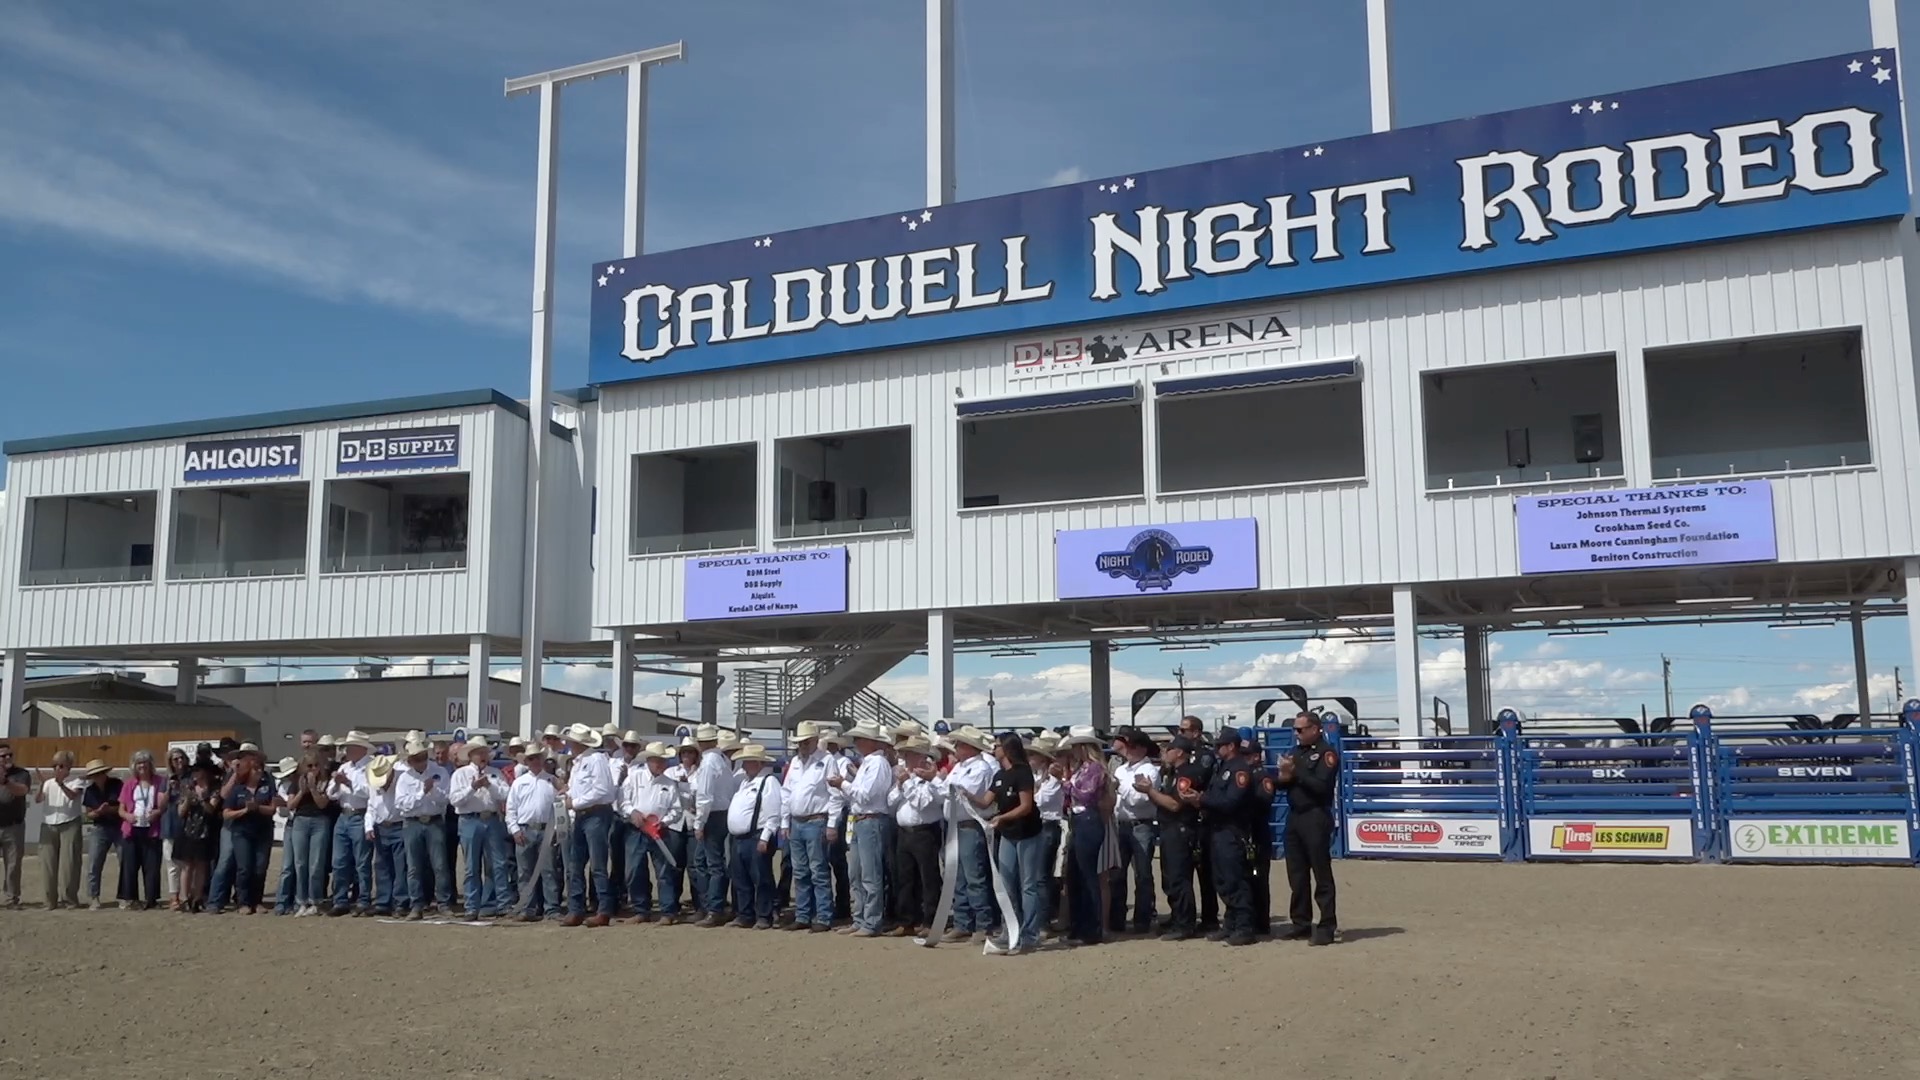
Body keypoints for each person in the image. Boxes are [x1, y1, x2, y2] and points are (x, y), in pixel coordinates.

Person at [1277, 711, 1340, 946]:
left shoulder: (1326, 753)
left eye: (1301, 729)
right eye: (1295, 729)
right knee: (1297, 873)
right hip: (1295, 816)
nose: (1297, 733)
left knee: (1321, 872)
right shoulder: (1296, 752)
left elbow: (1322, 787)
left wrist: (1297, 772)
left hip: (1316, 814)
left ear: (1315, 729)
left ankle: (1326, 925)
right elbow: (1286, 783)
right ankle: (1301, 922)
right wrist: (1282, 776)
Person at [779, 719, 844, 934]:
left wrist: (832, 823)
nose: (803, 745)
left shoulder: (826, 761)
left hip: (817, 820)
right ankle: (803, 914)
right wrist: (785, 820)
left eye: (806, 741)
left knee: (818, 870)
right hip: (797, 822)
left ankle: (823, 915)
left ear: (815, 741)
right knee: (800, 871)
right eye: (800, 742)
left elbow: (835, 795)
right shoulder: (796, 762)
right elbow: (786, 792)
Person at [833, 722, 894, 938]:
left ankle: (871, 920)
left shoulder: (877, 763)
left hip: (871, 819)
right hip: (861, 819)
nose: (856, 743)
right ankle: (860, 918)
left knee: (870, 873)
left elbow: (866, 795)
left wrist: (843, 785)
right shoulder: (870, 763)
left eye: (859, 739)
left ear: (870, 741)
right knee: (856, 873)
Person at [938, 725, 998, 943]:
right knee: (959, 876)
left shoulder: (980, 768)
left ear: (969, 747)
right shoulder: (961, 767)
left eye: (959, 744)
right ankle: (963, 922)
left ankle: (982, 924)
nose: (955, 748)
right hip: (957, 825)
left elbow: (956, 792)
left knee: (974, 876)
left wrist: (943, 785)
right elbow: (946, 789)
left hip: (970, 825)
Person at [620, 741, 691, 925]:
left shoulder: (670, 783)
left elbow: (676, 810)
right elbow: (622, 801)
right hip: (636, 830)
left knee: (664, 872)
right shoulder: (634, 777)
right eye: (657, 761)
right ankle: (641, 909)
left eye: (663, 761)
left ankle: (668, 911)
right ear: (649, 760)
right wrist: (632, 812)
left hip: (659, 832)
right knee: (634, 870)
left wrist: (664, 822)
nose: (661, 764)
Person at [985, 733, 1043, 954]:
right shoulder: (999, 775)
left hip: (1027, 833)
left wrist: (1002, 818)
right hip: (1008, 834)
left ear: (1007, 748)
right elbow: (985, 800)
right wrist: (964, 795)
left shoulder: (1022, 773)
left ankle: (1030, 935)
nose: (994, 749)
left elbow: (1025, 806)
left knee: (1028, 885)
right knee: (1007, 883)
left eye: (997, 745)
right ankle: (1010, 930)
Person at [1143, 735, 1205, 940]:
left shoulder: (1186, 774)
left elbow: (1174, 804)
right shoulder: (1172, 773)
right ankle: (1177, 917)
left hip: (1180, 829)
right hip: (1169, 828)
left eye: (1168, 749)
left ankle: (1185, 923)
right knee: (1169, 877)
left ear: (1179, 752)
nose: (1164, 753)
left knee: (1179, 877)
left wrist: (1149, 790)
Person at [1200, 729, 1257, 947]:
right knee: (1221, 879)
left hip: (1233, 830)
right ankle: (1231, 923)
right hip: (1217, 829)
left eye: (1219, 746)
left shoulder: (1240, 770)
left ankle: (1244, 927)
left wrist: (1203, 799)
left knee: (1235, 878)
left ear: (1231, 746)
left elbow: (1231, 801)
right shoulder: (1222, 768)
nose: (1217, 750)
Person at [451, 738, 515, 919]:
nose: (483, 756)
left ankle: (501, 903)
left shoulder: (495, 773)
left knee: (498, 863)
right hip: (470, 819)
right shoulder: (460, 774)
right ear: (471, 755)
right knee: (472, 865)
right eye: (479, 753)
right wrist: (472, 787)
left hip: (492, 819)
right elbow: (455, 800)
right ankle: (472, 905)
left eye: (485, 752)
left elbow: (506, 794)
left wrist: (489, 785)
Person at [562, 722, 619, 928]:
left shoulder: (595, 760)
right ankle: (576, 908)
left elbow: (603, 791)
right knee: (575, 864)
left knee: (597, 864)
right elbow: (580, 790)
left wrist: (574, 802)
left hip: (596, 814)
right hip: (582, 815)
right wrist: (568, 795)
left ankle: (603, 909)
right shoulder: (578, 763)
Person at [1058, 727, 1111, 946]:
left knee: (1087, 874)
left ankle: (1092, 929)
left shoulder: (1095, 768)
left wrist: (1065, 783)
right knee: (1076, 875)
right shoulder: (1083, 769)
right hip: (1080, 820)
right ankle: (1079, 926)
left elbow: (1087, 795)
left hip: (1088, 819)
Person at [889, 734, 944, 939]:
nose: (905, 757)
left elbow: (922, 802)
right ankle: (907, 920)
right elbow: (891, 802)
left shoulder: (931, 778)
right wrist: (901, 785)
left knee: (928, 878)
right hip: (904, 831)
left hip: (924, 832)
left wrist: (907, 784)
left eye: (909, 753)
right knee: (905, 878)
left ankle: (930, 920)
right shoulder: (907, 777)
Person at [722, 743, 782, 930]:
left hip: (756, 836)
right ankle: (745, 914)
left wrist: (765, 837)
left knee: (761, 877)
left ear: (757, 763)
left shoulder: (768, 782)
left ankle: (764, 915)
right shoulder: (745, 782)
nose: (744, 765)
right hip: (739, 837)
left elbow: (773, 813)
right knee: (741, 878)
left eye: (747, 761)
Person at [214, 749, 278, 915]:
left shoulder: (266, 786)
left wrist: (257, 807)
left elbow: (272, 809)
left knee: (260, 867)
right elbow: (226, 812)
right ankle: (243, 902)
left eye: (260, 768)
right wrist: (244, 811)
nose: (259, 771)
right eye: (255, 768)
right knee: (244, 868)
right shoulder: (237, 788)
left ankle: (257, 901)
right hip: (242, 831)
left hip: (263, 830)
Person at [1108, 729, 1160, 934]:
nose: (1127, 749)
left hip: (1141, 824)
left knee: (1143, 874)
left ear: (1141, 748)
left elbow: (1140, 800)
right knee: (1117, 875)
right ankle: (1117, 919)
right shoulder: (1122, 770)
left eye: (1131, 745)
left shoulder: (1149, 770)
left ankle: (1142, 919)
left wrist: (1119, 787)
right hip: (1122, 824)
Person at [395, 740, 453, 920]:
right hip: (412, 823)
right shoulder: (404, 778)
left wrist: (432, 792)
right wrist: (422, 793)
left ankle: (443, 903)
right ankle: (416, 904)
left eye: (421, 757)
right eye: (415, 758)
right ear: (410, 761)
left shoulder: (440, 772)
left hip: (434, 820)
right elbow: (401, 805)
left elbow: (445, 799)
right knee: (414, 866)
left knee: (440, 864)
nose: (420, 761)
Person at [689, 724, 738, 924]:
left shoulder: (708, 763)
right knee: (711, 862)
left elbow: (705, 796)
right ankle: (712, 905)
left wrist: (699, 823)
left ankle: (713, 908)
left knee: (711, 863)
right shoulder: (721, 760)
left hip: (712, 815)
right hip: (723, 813)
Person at [507, 744, 563, 922]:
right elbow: (511, 810)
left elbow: (560, 807)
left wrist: (556, 830)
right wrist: (514, 830)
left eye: (538, 757)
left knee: (549, 870)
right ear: (527, 762)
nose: (535, 761)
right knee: (525, 871)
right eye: (531, 758)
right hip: (525, 829)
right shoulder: (519, 783)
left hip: (546, 829)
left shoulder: (552, 781)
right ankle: (527, 908)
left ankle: (551, 909)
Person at [1178, 714, 1221, 933]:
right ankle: (1184, 915)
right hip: (1185, 818)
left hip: (1203, 818)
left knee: (1205, 870)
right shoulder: (1187, 757)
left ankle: (1210, 917)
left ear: (1195, 732)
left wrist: (1180, 767)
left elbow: (1197, 778)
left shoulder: (1204, 756)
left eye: (1184, 730)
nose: (1180, 734)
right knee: (1183, 870)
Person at [327, 731, 376, 917]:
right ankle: (340, 900)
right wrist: (339, 783)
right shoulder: (345, 766)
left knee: (362, 862)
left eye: (349, 747)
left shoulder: (370, 767)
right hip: (344, 814)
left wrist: (346, 782)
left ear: (360, 749)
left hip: (360, 815)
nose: (346, 750)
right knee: (339, 861)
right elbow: (332, 794)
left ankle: (363, 899)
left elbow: (368, 792)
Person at [116, 750, 169, 910]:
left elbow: (165, 805)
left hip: (151, 829)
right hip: (132, 829)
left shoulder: (160, 782)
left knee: (152, 865)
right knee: (130, 866)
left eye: (145, 762)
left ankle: (152, 898)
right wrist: (127, 816)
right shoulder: (129, 784)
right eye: (139, 763)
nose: (142, 766)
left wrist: (158, 812)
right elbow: (121, 809)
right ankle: (131, 898)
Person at [281, 749, 332, 916]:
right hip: (300, 821)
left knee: (316, 864)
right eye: (309, 766)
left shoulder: (325, 781)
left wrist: (313, 788)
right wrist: (303, 791)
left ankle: (315, 900)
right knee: (300, 863)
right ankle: (301, 900)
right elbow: (290, 805)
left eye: (316, 765)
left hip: (319, 821)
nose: (313, 769)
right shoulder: (296, 782)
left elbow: (322, 804)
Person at [35, 751, 85, 909]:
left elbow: (72, 796)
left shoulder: (77, 781)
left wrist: (61, 783)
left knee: (69, 864)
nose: (57, 768)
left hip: (69, 823)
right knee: (47, 864)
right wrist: (42, 784)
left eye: (61, 765)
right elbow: (38, 799)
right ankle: (49, 900)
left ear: (69, 766)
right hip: (49, 824)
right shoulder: (49, 783)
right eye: (55, 765)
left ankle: (69, 899)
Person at [1027, 733, 1066, 932]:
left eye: (1034, 755)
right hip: (1038, 825)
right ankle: (1042, 917)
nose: (1030, 758)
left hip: (1048, 825)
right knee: (1037, 875)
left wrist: (1032, 791)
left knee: (1042, 875)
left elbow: (1038, 801)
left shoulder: (1052, 779)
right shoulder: (1037, 777)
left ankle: (1044, 921)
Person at [365, 755, 408, 917]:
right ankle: (384, 901)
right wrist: (368, 825)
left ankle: (400, 902)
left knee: (400, 866)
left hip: (399, 825)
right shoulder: (373, 784)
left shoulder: (402, 778)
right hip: (381, 826)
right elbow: (371, 805)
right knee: (382, 865)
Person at [173, 765, 218, 912]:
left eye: (199, 772)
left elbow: (211, 810)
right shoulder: (187, 788)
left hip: (205, 831)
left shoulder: (213, 789)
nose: (196, 776)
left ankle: (198, 898)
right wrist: (187, 799)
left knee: (201, 866)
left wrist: (201, 798)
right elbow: (180, 812)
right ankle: (185, 898)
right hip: (188, 832)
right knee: (187, 866)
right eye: (194, 773)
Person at [81, 759, 124, 910]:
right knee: (94, 863)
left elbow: (124, 806)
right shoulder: (90, 790)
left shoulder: (117, 784)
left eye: (99, 773)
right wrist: (98, 812)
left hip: (119, 826)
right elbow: (88, 814)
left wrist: (108, 810)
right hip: (100, 827)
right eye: (95, 774)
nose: (98, 776)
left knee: (124, 862)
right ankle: (94, 897)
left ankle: (125, 896)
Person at [160, 748, 192, 909]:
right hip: (170, 823)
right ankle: (174, 897)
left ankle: (187, 895)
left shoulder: (190, 777)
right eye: (175, 759)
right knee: (171, 862)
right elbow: (160, 805)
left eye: (181, 758)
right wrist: (168, 789)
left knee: (187, 863)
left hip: (189, 824)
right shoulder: (165, 779)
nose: (179, 761)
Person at [0, 743, 31, 909]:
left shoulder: (21, 774)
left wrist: (4, 781)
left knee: (13, 865)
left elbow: (22, 790)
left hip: (14, 826)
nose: (7, 758)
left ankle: (11, 898)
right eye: (3, 756)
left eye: (9, 755)